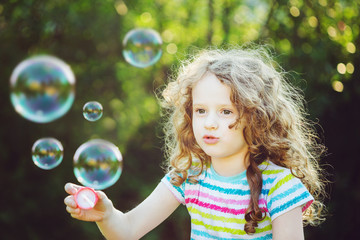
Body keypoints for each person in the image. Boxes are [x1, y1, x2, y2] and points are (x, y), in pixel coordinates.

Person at [64, 46, 327, 240]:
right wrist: (107, 215)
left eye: (226, 111)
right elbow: (128, 230)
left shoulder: (280, 187)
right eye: (201, 110)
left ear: (256, 118)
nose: (209, 123)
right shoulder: (189, 176)